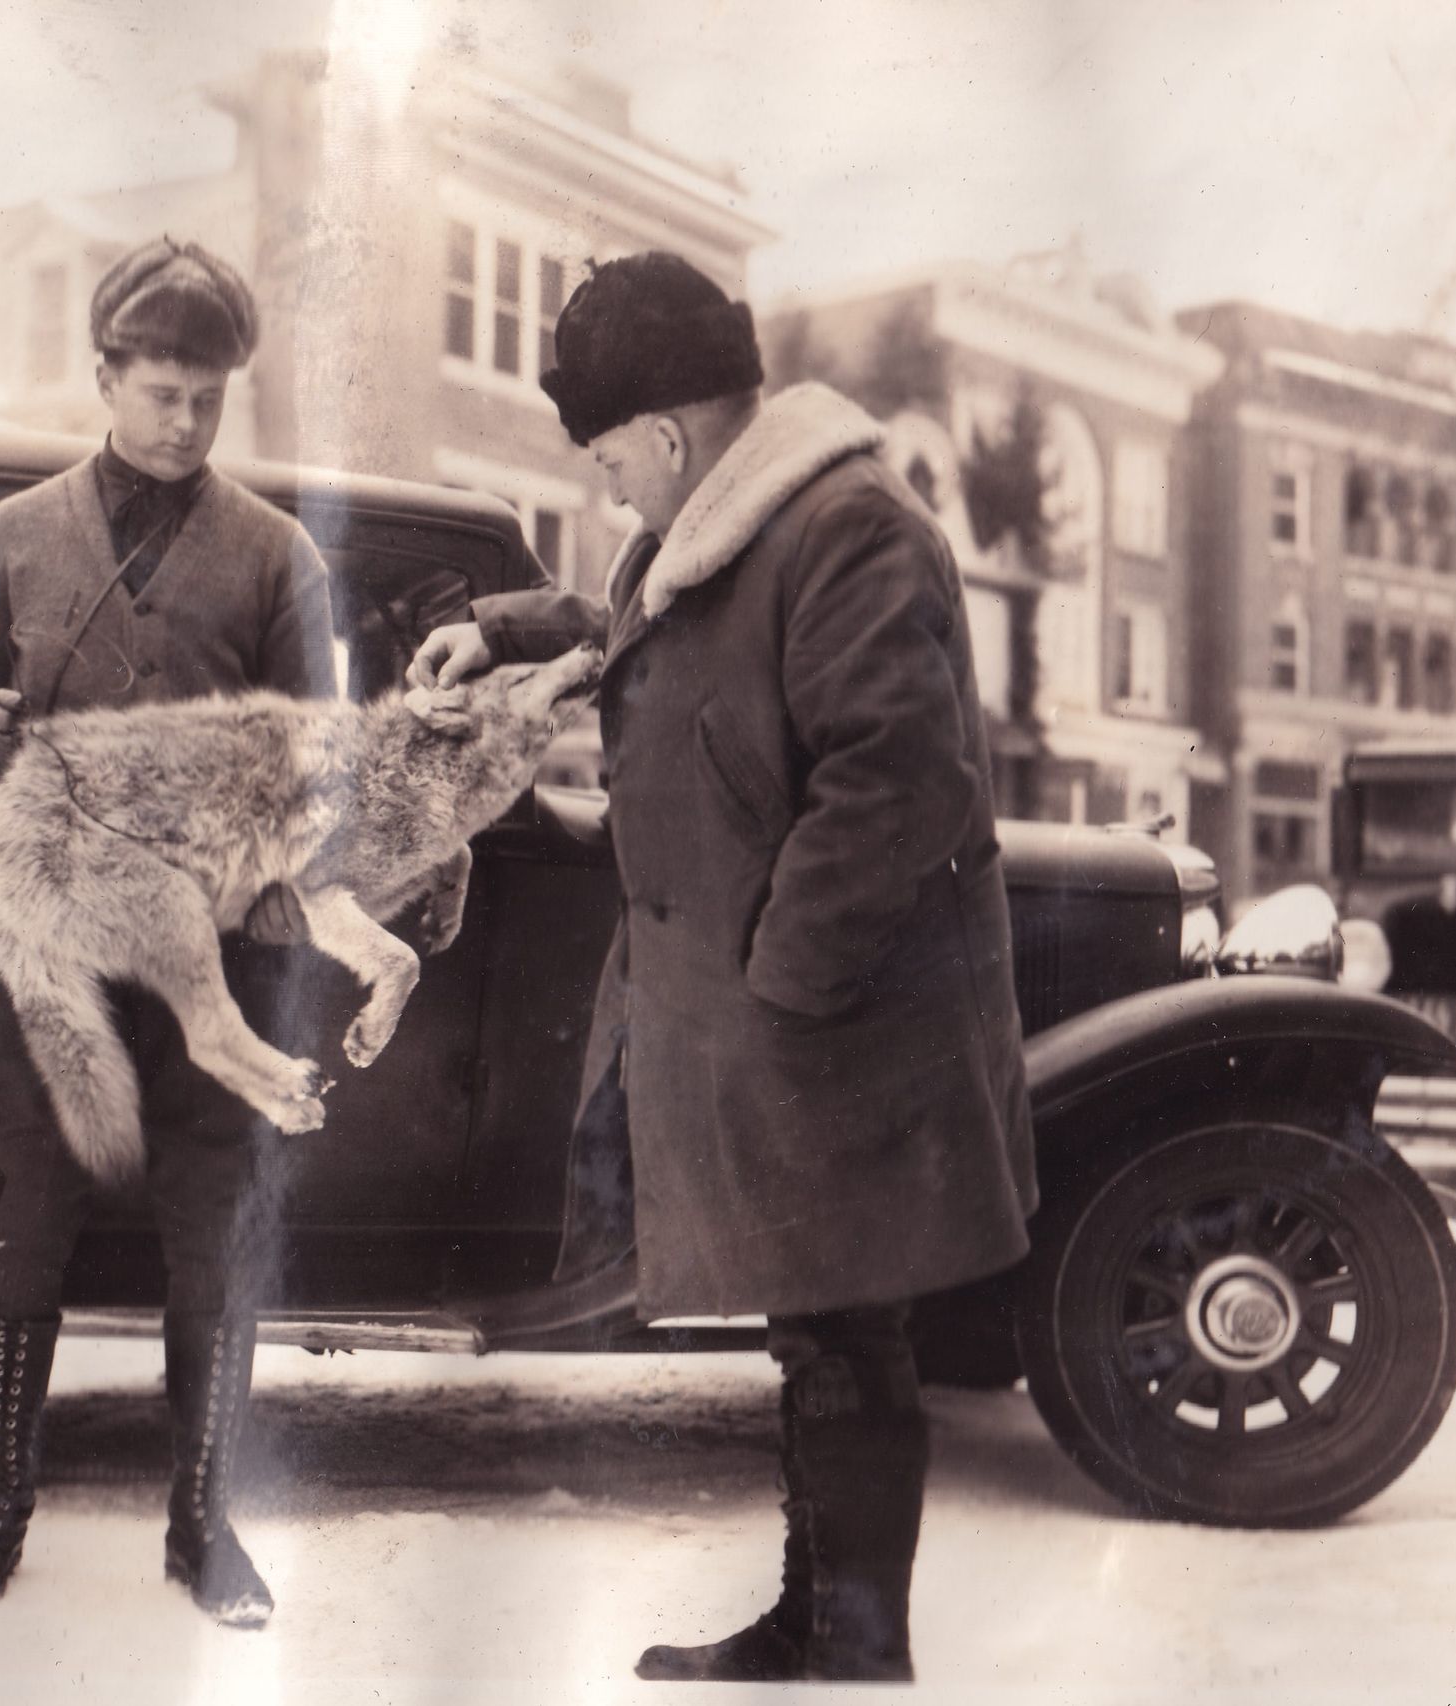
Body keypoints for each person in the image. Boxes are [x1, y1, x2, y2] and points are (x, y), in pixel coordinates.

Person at [408, 253, 1034, 1684]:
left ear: (671, 436)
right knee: (817, 1333)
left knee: (847, 1337)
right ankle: (815, 1624)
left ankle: (858, 1656)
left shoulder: (849, 529)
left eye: (611, 460)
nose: (610, 490)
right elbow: (646, 622)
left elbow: (894, 786)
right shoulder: (728, 524)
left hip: (837, 1030)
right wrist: (502, 627)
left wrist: (779, 987)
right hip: (796, 1027)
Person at [0, 236, 337, 1626]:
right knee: (30, 1214)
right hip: (57, 959)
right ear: (104, 378)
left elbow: (313, 749)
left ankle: (205, 1526)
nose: (186, 421)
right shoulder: (15, 537)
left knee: (211, 1235)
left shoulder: (275, 555)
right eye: (161, 393)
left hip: (216, 964)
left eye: (209, 399)